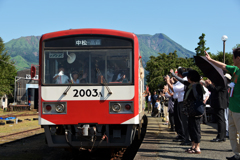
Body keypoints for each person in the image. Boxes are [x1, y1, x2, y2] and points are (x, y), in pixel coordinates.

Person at [205, 49, 240, 160]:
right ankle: (237, 155)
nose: (232, 60)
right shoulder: (235, 70)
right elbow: (223, 65)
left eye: (233, 57)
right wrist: (210, 60)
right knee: (233, 134)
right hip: (232, 107)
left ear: (238, 58)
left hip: (239, 109)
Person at [166, 67, 191, 145]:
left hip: (183, 102)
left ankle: (185, 137)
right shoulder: (183, 81)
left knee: (183, 121)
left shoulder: (184, 81)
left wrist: (168, 81)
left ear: (180, 74)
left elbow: (174, 89)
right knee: (180, 120)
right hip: (179, 101)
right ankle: (183, 136)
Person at [183, 70, 204, 154]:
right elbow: (182, 81)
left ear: (191, 77)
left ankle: (197, 147)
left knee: (196, 128)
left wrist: (194, 87)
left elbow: (197, 97)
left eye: (188, 76)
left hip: (196, 110)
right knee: (191, 128)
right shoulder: (190, 85)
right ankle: (193, 146)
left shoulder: (197, 86)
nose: (187, 78)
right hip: (190, 111)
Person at [205, 73, 228, 142]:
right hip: (219, 103)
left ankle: (221, 136)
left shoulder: (222, 82)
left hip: (220, 103)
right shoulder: (222, 82)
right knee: (221, 119)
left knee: (220, 120)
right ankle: (222, 136)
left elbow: (215, 90)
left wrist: (210, 85)